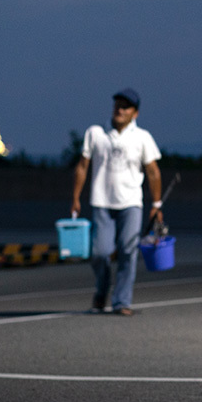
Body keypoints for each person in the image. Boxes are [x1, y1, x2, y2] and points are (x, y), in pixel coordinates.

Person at [71, 88, 163, 316]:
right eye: (117, 105)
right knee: (100, 252)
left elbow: (153, 172)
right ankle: (101, 291)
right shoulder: (96, 133)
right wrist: (75, 197)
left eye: (125, 107)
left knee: (127, 250)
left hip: (131, 203)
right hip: (102, 202)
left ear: (135, 113)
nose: (120, 110)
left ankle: (122, 301)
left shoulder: (142, 137)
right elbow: (82, 166)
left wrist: (157, 205)